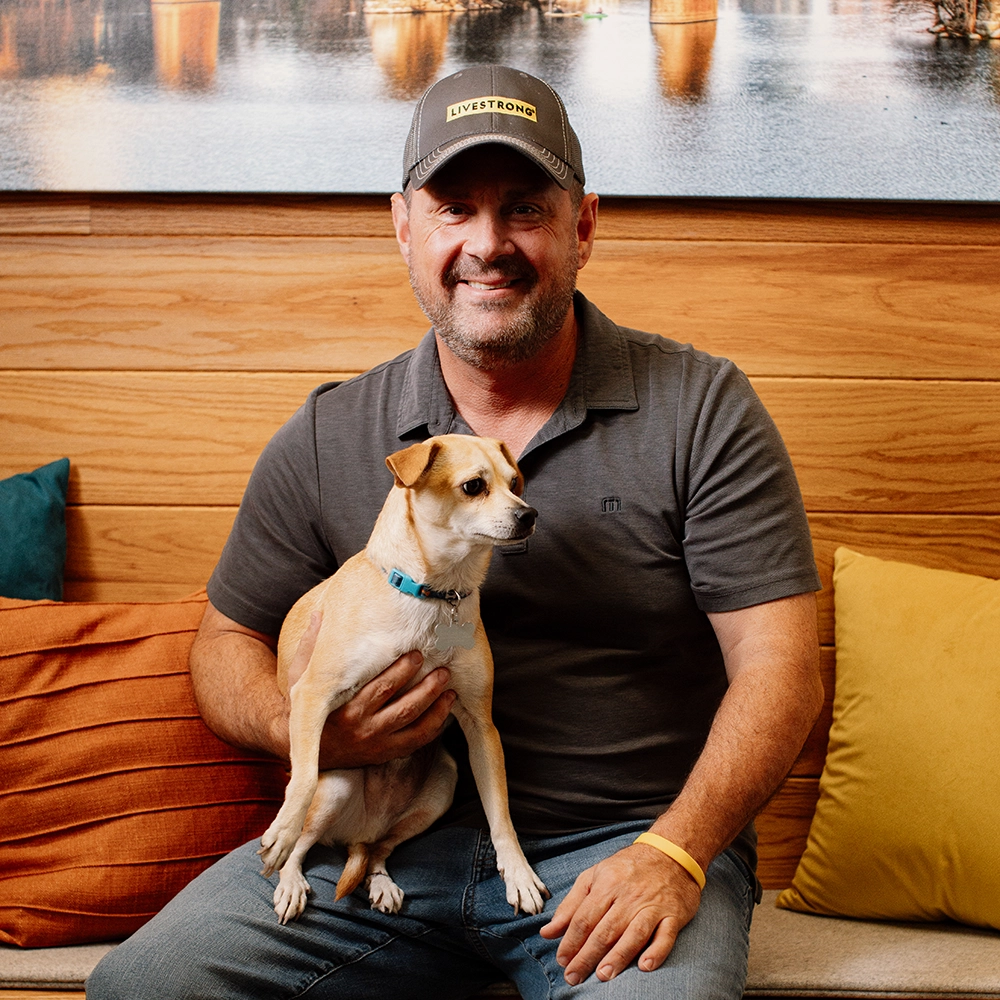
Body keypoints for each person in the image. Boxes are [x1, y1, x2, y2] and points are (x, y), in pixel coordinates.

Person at [87, 65, 823, 1000]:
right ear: (403, 227)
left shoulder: (700, 408)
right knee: (142, 988)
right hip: (378, 828)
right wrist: (314, 733)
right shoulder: (330, 432)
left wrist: (676, 852)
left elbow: (783, 670)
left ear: (583, 227)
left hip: (624, 848)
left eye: (524, 209)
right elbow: (223, 642)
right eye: (453, 210)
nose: (489, 244)